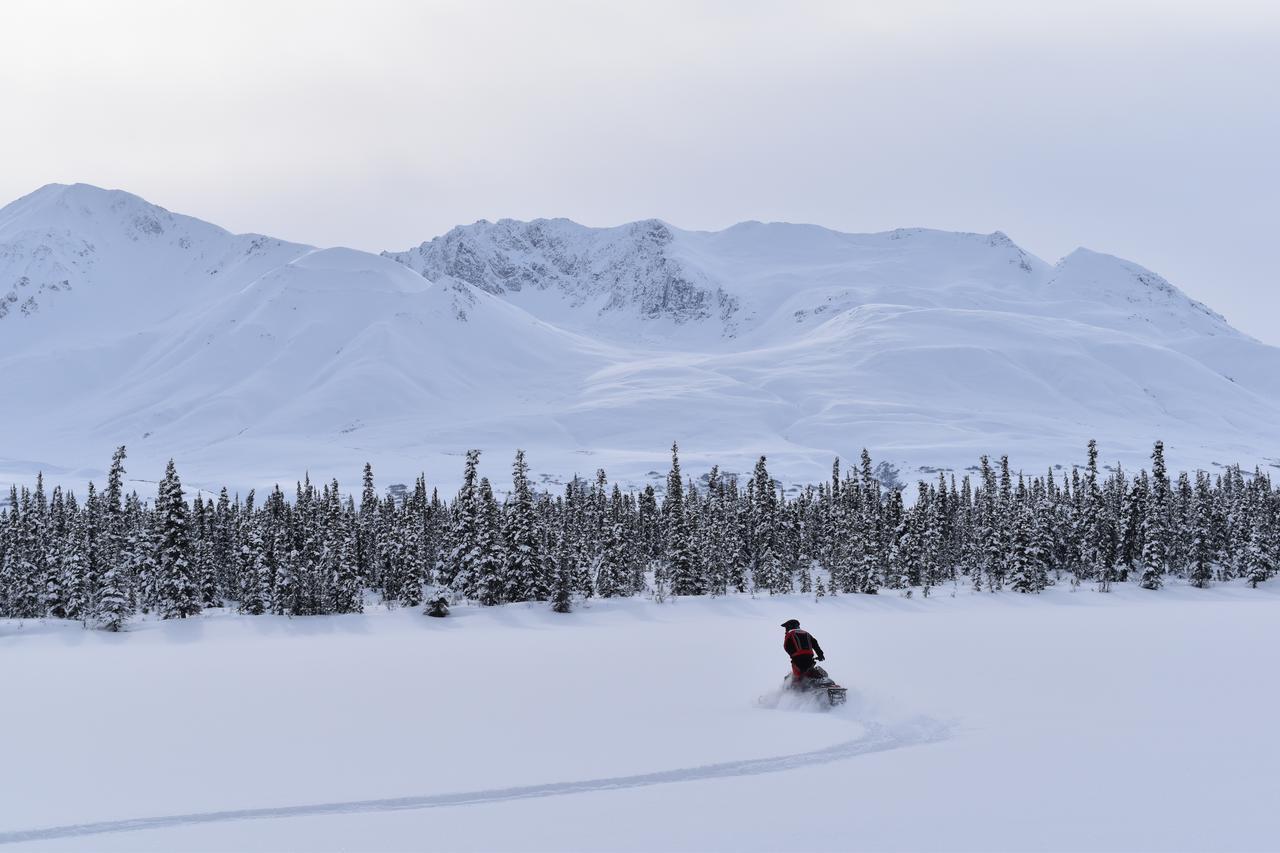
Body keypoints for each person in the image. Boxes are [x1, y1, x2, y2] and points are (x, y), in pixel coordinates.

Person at [781, 619, 825, 684]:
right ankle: (823, 681)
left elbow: (786, 646)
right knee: (812, 671)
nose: (785, 630)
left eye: (786, 628)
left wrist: (793, 654)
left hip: (797, 660)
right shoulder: (807, 633)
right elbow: (815, 644)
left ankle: (793, 692)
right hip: (810, 659)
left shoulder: (790, 634)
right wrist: (820, 655)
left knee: (796, 678)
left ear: (790, 626)